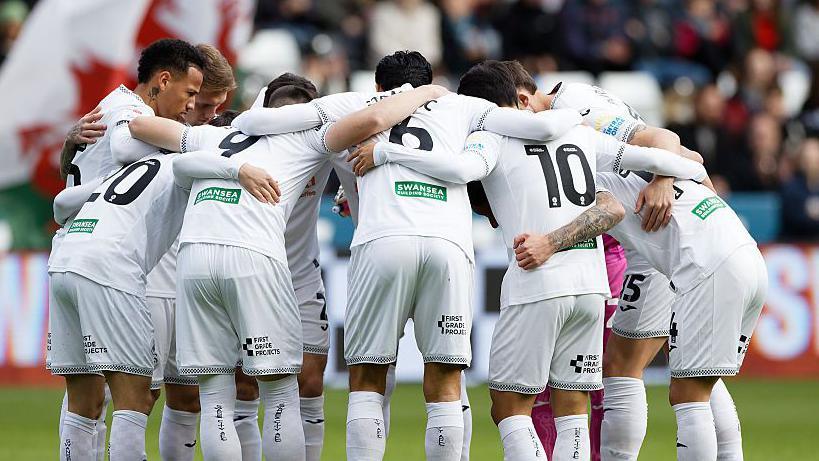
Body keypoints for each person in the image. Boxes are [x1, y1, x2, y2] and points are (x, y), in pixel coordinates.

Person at [346, 60, 709, 461]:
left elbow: (461, 168)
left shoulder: (489, 139)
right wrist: (675, 177)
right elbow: (671, 159)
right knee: (573, 407)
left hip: (537, 283)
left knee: (508, 406)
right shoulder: (578, 131)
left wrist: (386, 154)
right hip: (591, 286)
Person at [127, 82, 447, 461]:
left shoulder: (220, 134)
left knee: (214, 396)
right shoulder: (309, 139)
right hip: (255, 256)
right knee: (280, 392)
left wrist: (118, 117)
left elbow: (141, 128)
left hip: (195, 258)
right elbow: (375, 117)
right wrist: (429, 90)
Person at [48, 142, 273, 461]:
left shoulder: (130, 166)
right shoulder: (185, 161)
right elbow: (186, 163)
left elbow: (60, 205)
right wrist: (240, 169)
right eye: (192, 94)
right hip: (113, 268)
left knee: (82, 402)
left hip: (65, 262)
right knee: (135, 396)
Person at [48, 38, 205, 460]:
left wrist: (68, 148)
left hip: (69, 251)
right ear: (163, 80)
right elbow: (124, 145)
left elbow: (68, 189)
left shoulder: (110, 104)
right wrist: (198, 144)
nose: (191, 109)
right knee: (134, 392)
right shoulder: (130, 111)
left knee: (86, 395)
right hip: (111, 258)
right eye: (190, 95)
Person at [589, 168, 767, 461]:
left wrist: (549, 243)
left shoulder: (586, 145)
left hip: (704, 265)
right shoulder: (634, 143)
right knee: (697, 377)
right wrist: (664, 175)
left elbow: (609, 208)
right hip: (741, 250)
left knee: (688, 392)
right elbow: (691, 158)